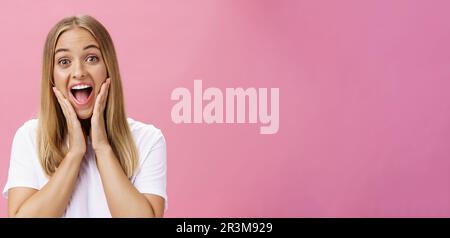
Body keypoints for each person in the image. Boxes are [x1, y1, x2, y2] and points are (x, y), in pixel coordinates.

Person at [2, 15, 167, 218]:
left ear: (108, 69)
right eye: (64, 61)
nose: (79, 72)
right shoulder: (29, 137)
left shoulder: (147, 139)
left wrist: (102, 148)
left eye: (91, 58)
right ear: (52, 78)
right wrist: (75, 154)